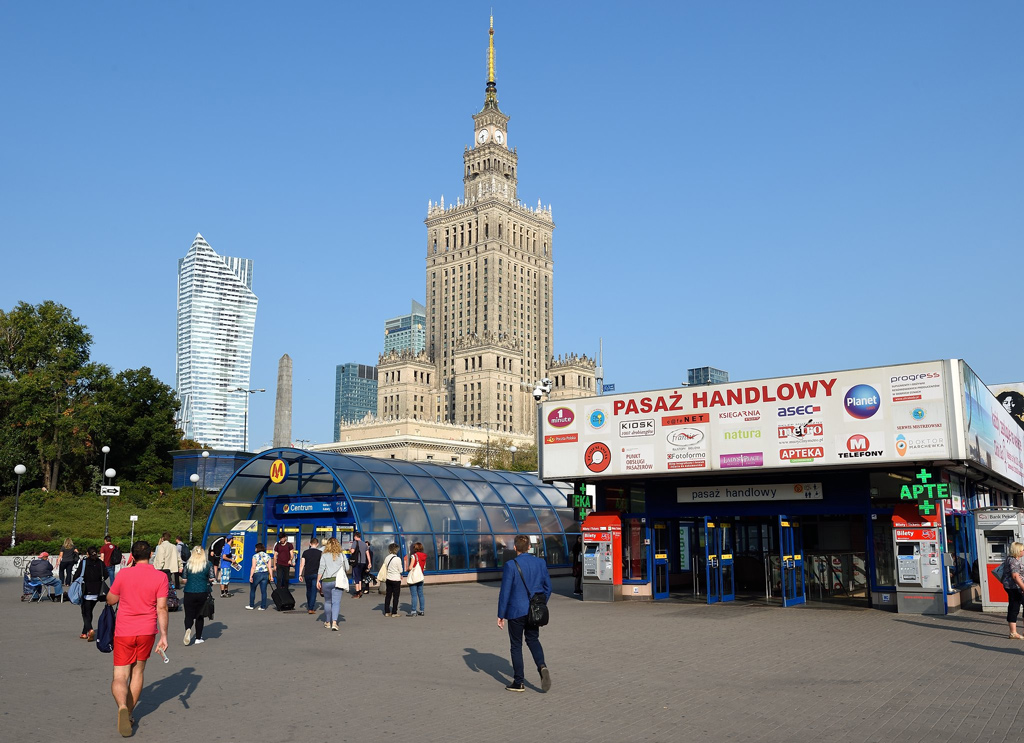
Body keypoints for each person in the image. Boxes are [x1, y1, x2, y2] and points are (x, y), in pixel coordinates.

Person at [106, 540, 169, 738]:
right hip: (147, 631)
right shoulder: (160, 577)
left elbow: (111, 599)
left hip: (124, 630)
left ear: (131, 556)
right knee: (138, 672)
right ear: (150, 554)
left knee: (119, 676)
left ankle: (122, 706)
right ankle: (130, 713)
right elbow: (162, 607)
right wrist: (164, 635)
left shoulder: (123, 574)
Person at [496, 535, 552, 693]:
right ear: (529, 547)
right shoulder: (540, 563)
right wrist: (540, 604)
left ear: (515, 548)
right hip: (534, 610)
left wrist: (501, 614)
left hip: (516, 611)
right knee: (533, 639)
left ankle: (519, 682)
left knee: (516, 645)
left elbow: (505, 592)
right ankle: (542, 666)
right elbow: (548, 587)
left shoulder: (510, 565)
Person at [181, 546, 215, 645]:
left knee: (188, 615)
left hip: (189, 592)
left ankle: (188, 629)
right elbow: (212, 578)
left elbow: (184, 579)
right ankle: (198, 638)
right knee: (200, 615)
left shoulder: (188, 564)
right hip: (202, 592)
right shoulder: (208, 564)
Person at [74, 547, 108, 640]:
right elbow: (106, 574)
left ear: (87, 554)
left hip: (86, 590)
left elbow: (78, 574)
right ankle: (84, 633)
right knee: (89, 611)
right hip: (97, 591)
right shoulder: (100, 563)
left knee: (85, 612)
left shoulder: (84, 562)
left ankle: (90, 629)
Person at [316, 537, 349, 631]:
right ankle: (334, 622)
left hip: (326, 581)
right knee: (336, 602)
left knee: (327, 602)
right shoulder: (342, 555)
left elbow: (321, 568)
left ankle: (327, 622)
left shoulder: (324, 555)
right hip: (337, 581)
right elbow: (346, 568)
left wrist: (318, 581)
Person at [1004, 541, 1024, 639]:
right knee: (1014, 608)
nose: (1023, 551)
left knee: (1013, 607)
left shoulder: (1010, 559)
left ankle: (1015, 632)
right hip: (1015, 588)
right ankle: (1013, 633)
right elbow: (1015, 576)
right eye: (1022, 550)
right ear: (1017, 551)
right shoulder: (1014, 561)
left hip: (1014, 587)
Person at [246, 542, 274, 611]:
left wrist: (250, 576)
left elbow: (253, 567)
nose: (255, 549)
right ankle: (263, 606)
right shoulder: (268, 556)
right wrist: (272, 576)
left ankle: (251, 605)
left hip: (257, 574)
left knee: (253, 590)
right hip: (265, 574)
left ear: (257, 548)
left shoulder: (255, 556)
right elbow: (270, 567)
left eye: (256, 548)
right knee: (263, 591)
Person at [299, 537, 322, 614]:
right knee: (314, 591)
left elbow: (302, 564)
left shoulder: (305, 552)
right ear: (317, 544)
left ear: (310, 544)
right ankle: (311, 608)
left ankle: (309, 604)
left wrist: (300, 574)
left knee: (308, 590)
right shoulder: (320, 553)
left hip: (307, 574)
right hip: (316, 573)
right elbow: (322, 565)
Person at [405, 541, 427, 616]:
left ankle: (413, 611)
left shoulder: (414, 556)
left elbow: (411, 567)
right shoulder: (424, 556)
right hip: (420, 577)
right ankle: (422, 610)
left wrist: (407, 569)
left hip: (414, 578)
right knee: (420, 594)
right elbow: (424, 568)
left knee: (414, 595)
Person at [381, 543, 403, 617]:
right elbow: (401, 570)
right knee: (396, 596)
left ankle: (387, 611)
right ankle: (394, 612)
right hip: (396, 579)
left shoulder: (387, 558)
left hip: (389, 578)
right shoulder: (397, 559)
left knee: (388, 595)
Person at [350, 531, 369, 598]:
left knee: (356, 577)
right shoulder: (364, 544)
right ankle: (360, 590)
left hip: (356, 562)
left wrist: (350, 549)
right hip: (363, 562)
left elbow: (352, 551)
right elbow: (367, 554)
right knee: (360, 576)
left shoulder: (355, 542)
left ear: (355, 536)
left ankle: (358, 592)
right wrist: (369, 562)